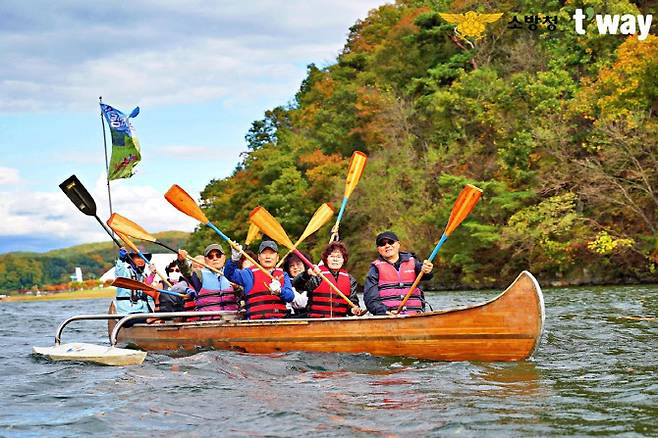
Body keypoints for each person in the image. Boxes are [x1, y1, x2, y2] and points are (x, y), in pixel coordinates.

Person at [363, 231, 434, 315]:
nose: (387, 246)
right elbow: (370, 299)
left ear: (398, 244)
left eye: (391, 242)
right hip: (389, 316)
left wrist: (427, 270)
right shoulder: (375, 269)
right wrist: (384, 312)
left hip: (415, 314)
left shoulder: (414, 262)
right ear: (378, 249)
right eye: (382, 244)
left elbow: (426, 275)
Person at [224, 240, 294, 320]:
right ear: (259, 257)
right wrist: (234, 259)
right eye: (264, 253)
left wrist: (280, 291)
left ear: (277, 257)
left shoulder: (283, 274)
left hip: (279, 322)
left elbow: (290, 296)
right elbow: (229, 274)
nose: (268, 257)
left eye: (271, 253)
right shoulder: (249, 274)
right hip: (257, 323)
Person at [298, 242, 364, 318]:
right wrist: (306, 274)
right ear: (326, 259)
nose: (335, 260)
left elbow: (353, 302)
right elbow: (298, 285)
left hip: (339, 322)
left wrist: (353, 310)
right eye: (332, 256)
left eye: (339, 257)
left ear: (343, 260)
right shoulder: (317, 275)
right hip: (316, 321)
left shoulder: (350, 280)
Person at [114, 247, 156, 318]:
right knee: (153, 320)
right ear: (131, 259)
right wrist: (121, 259)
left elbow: (147, 286)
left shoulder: (143, 275)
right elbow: (119, 271)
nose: (141, 260)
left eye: (142, 258)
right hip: (127, 312)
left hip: (143, 311)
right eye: (138, 257)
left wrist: (152, 274)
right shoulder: (124, 272)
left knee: (159, 319)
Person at [282, 251, 311, 317]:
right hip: (291, 318)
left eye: (298, 264)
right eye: (292, 266)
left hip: (310, 317)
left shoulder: (313, 281)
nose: (295, 267)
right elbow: (300, 303)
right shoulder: (285, 283)